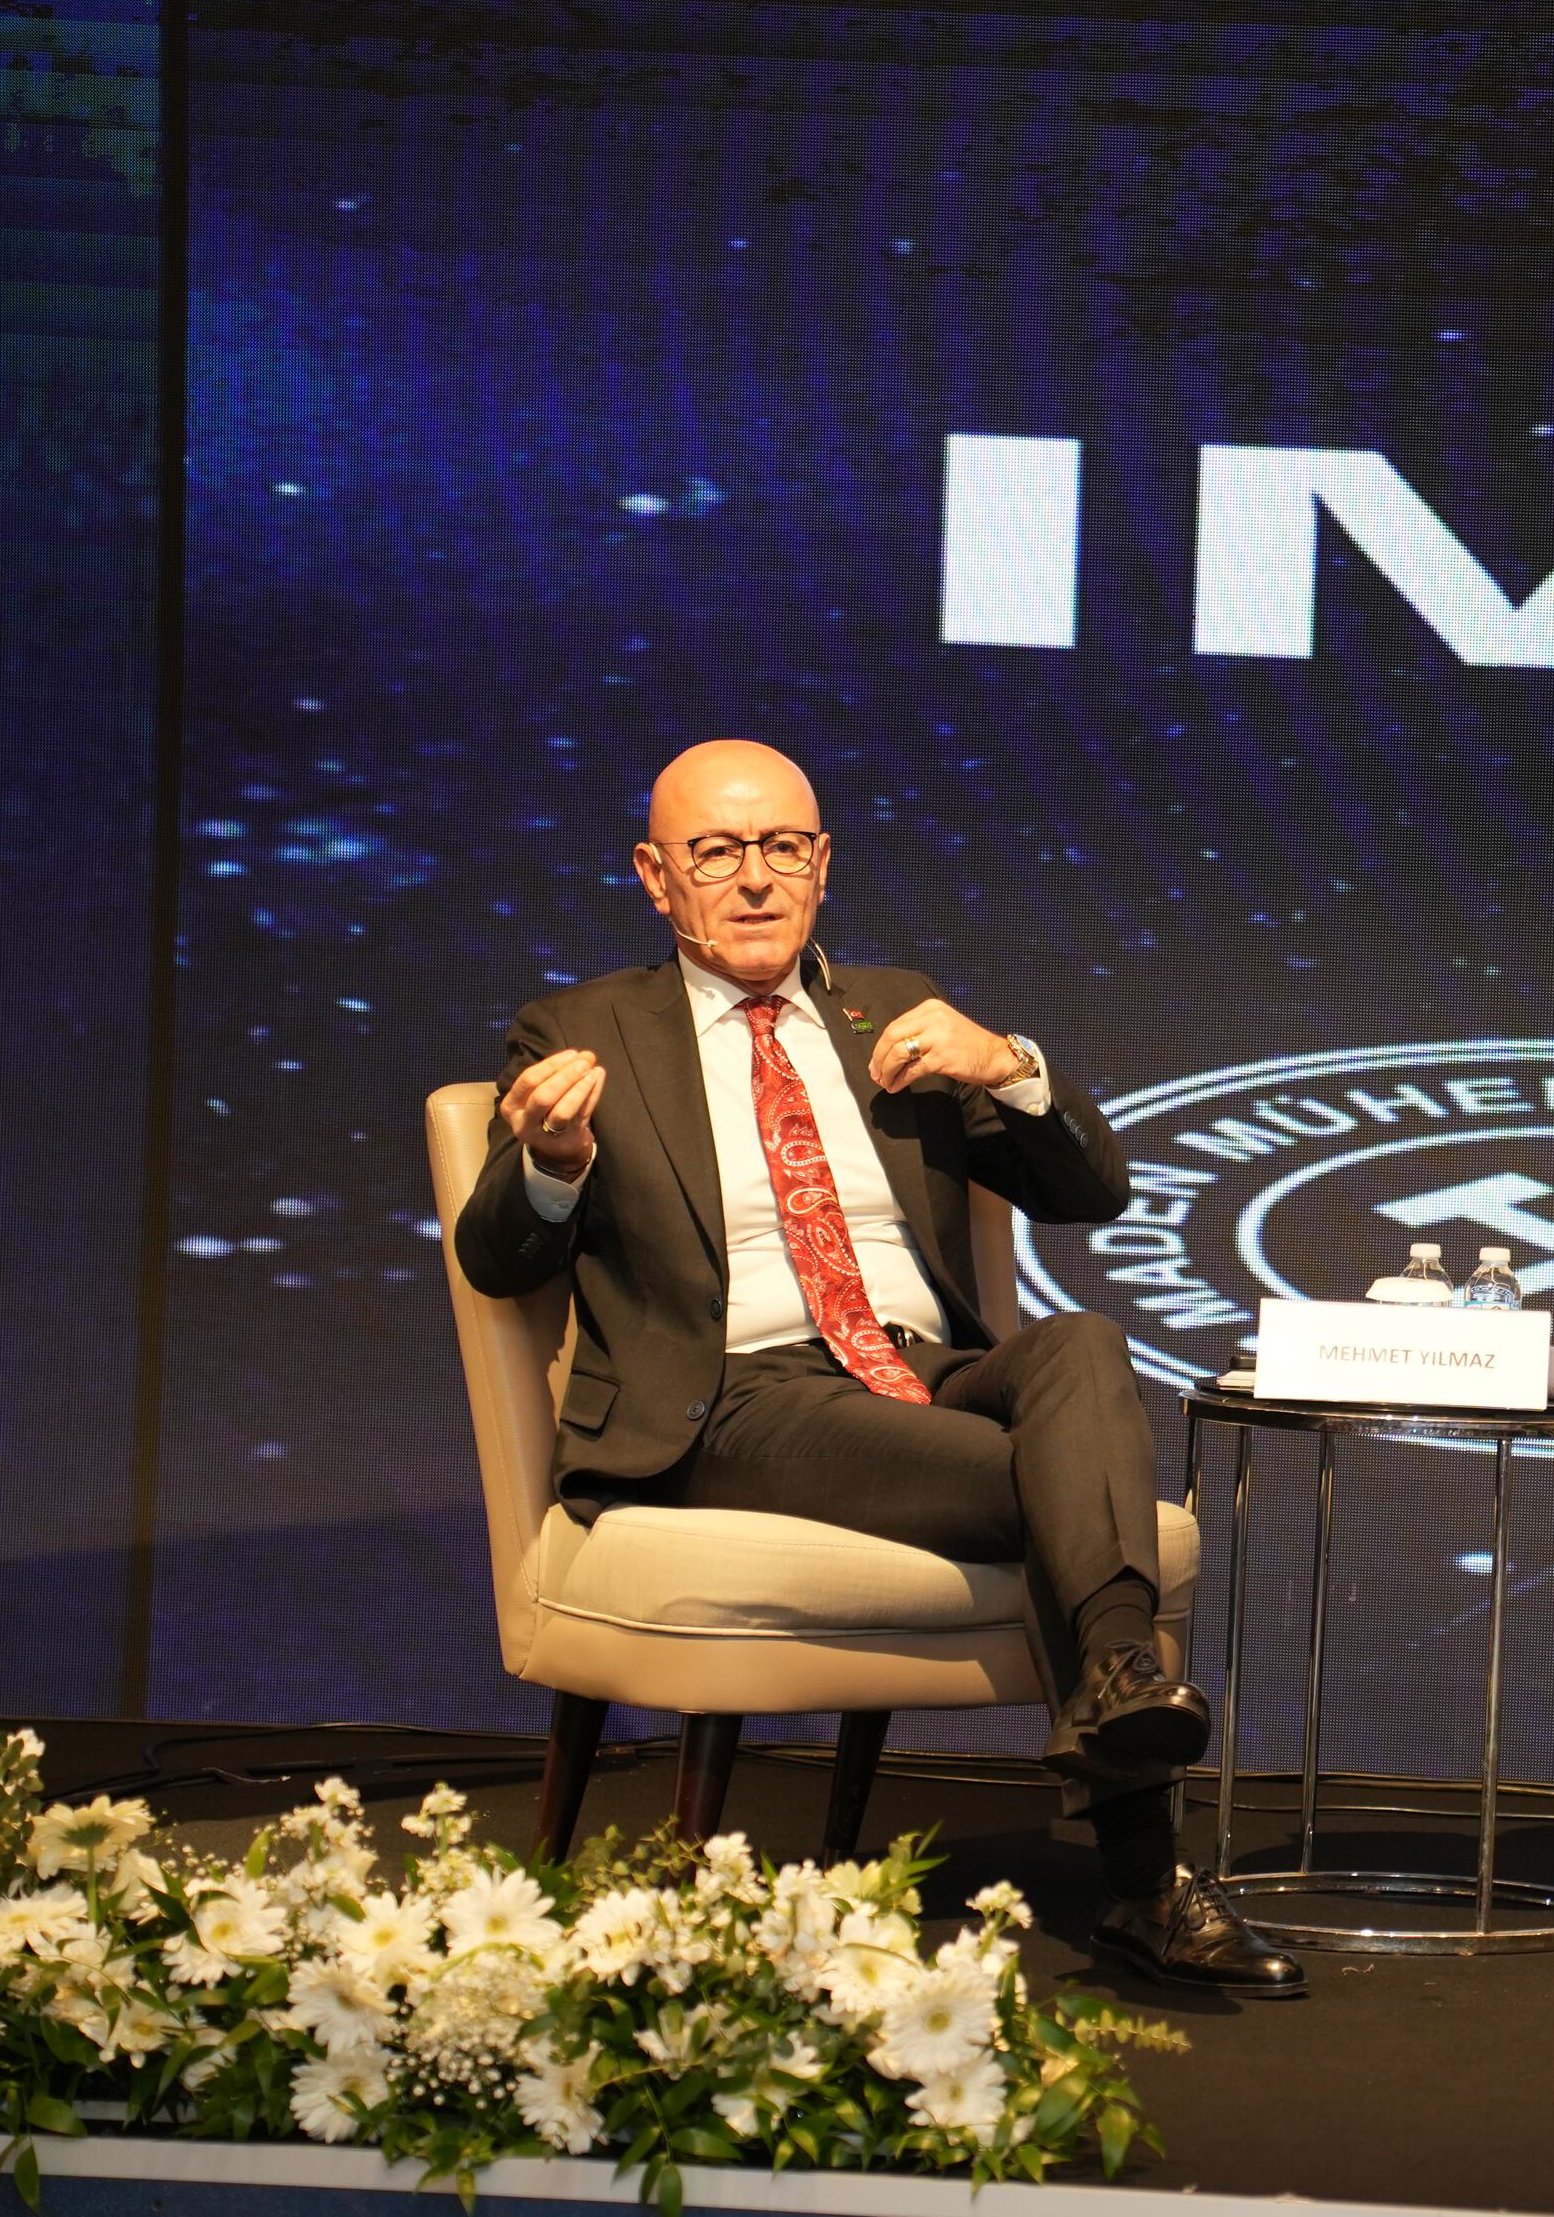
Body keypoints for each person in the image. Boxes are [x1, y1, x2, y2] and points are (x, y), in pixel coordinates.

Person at [452, 739, 1301, 1998]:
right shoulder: (579, 1029)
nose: (756, 878)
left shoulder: (894, 1012)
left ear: (824, 863)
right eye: (716, 852)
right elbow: (496, 1258)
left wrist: (1008, 1065)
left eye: (783, 847)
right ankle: (1143, 1865)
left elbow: (1094, 1192)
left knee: (1082, 1344)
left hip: (918, 1367)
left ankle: (1118, 1684)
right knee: (1066, 1483)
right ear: (655, 876)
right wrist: (553, 1162)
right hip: (734, 1399)